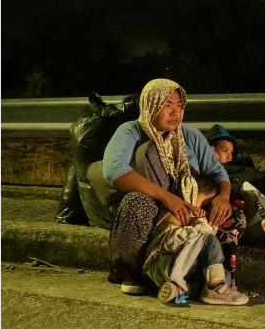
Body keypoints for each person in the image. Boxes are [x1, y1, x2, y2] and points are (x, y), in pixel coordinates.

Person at [101, 79, 238, 296]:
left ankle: (212, 273)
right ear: (151, 104)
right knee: (137, 203)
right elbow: (114, 171)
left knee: (233, 211)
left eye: (179, 106)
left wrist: (223, 196)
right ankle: (134, 268)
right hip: (155, 211)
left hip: (188, 208)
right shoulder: (131, 132)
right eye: (168, 105)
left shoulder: (190, 136)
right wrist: (166, 198)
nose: (175, 112)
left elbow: (218, 172)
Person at [144, 174, 247, 306]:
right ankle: (218, 287)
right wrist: (199, 222)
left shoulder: (193, 218)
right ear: (191, 195)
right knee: (209, 240)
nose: (203, 210)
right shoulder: (172, 214)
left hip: (179, 274)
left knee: (223, 272)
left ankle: (178, 291)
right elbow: (171, 242)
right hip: (164, 262)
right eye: (203, 204)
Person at [207, 124, 265, 203]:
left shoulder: (229, 162)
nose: (229, 157)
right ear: (212, 150)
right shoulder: (211, 169)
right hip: (242, 184)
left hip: (242, 175)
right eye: (225, 151)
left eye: (231, 152)